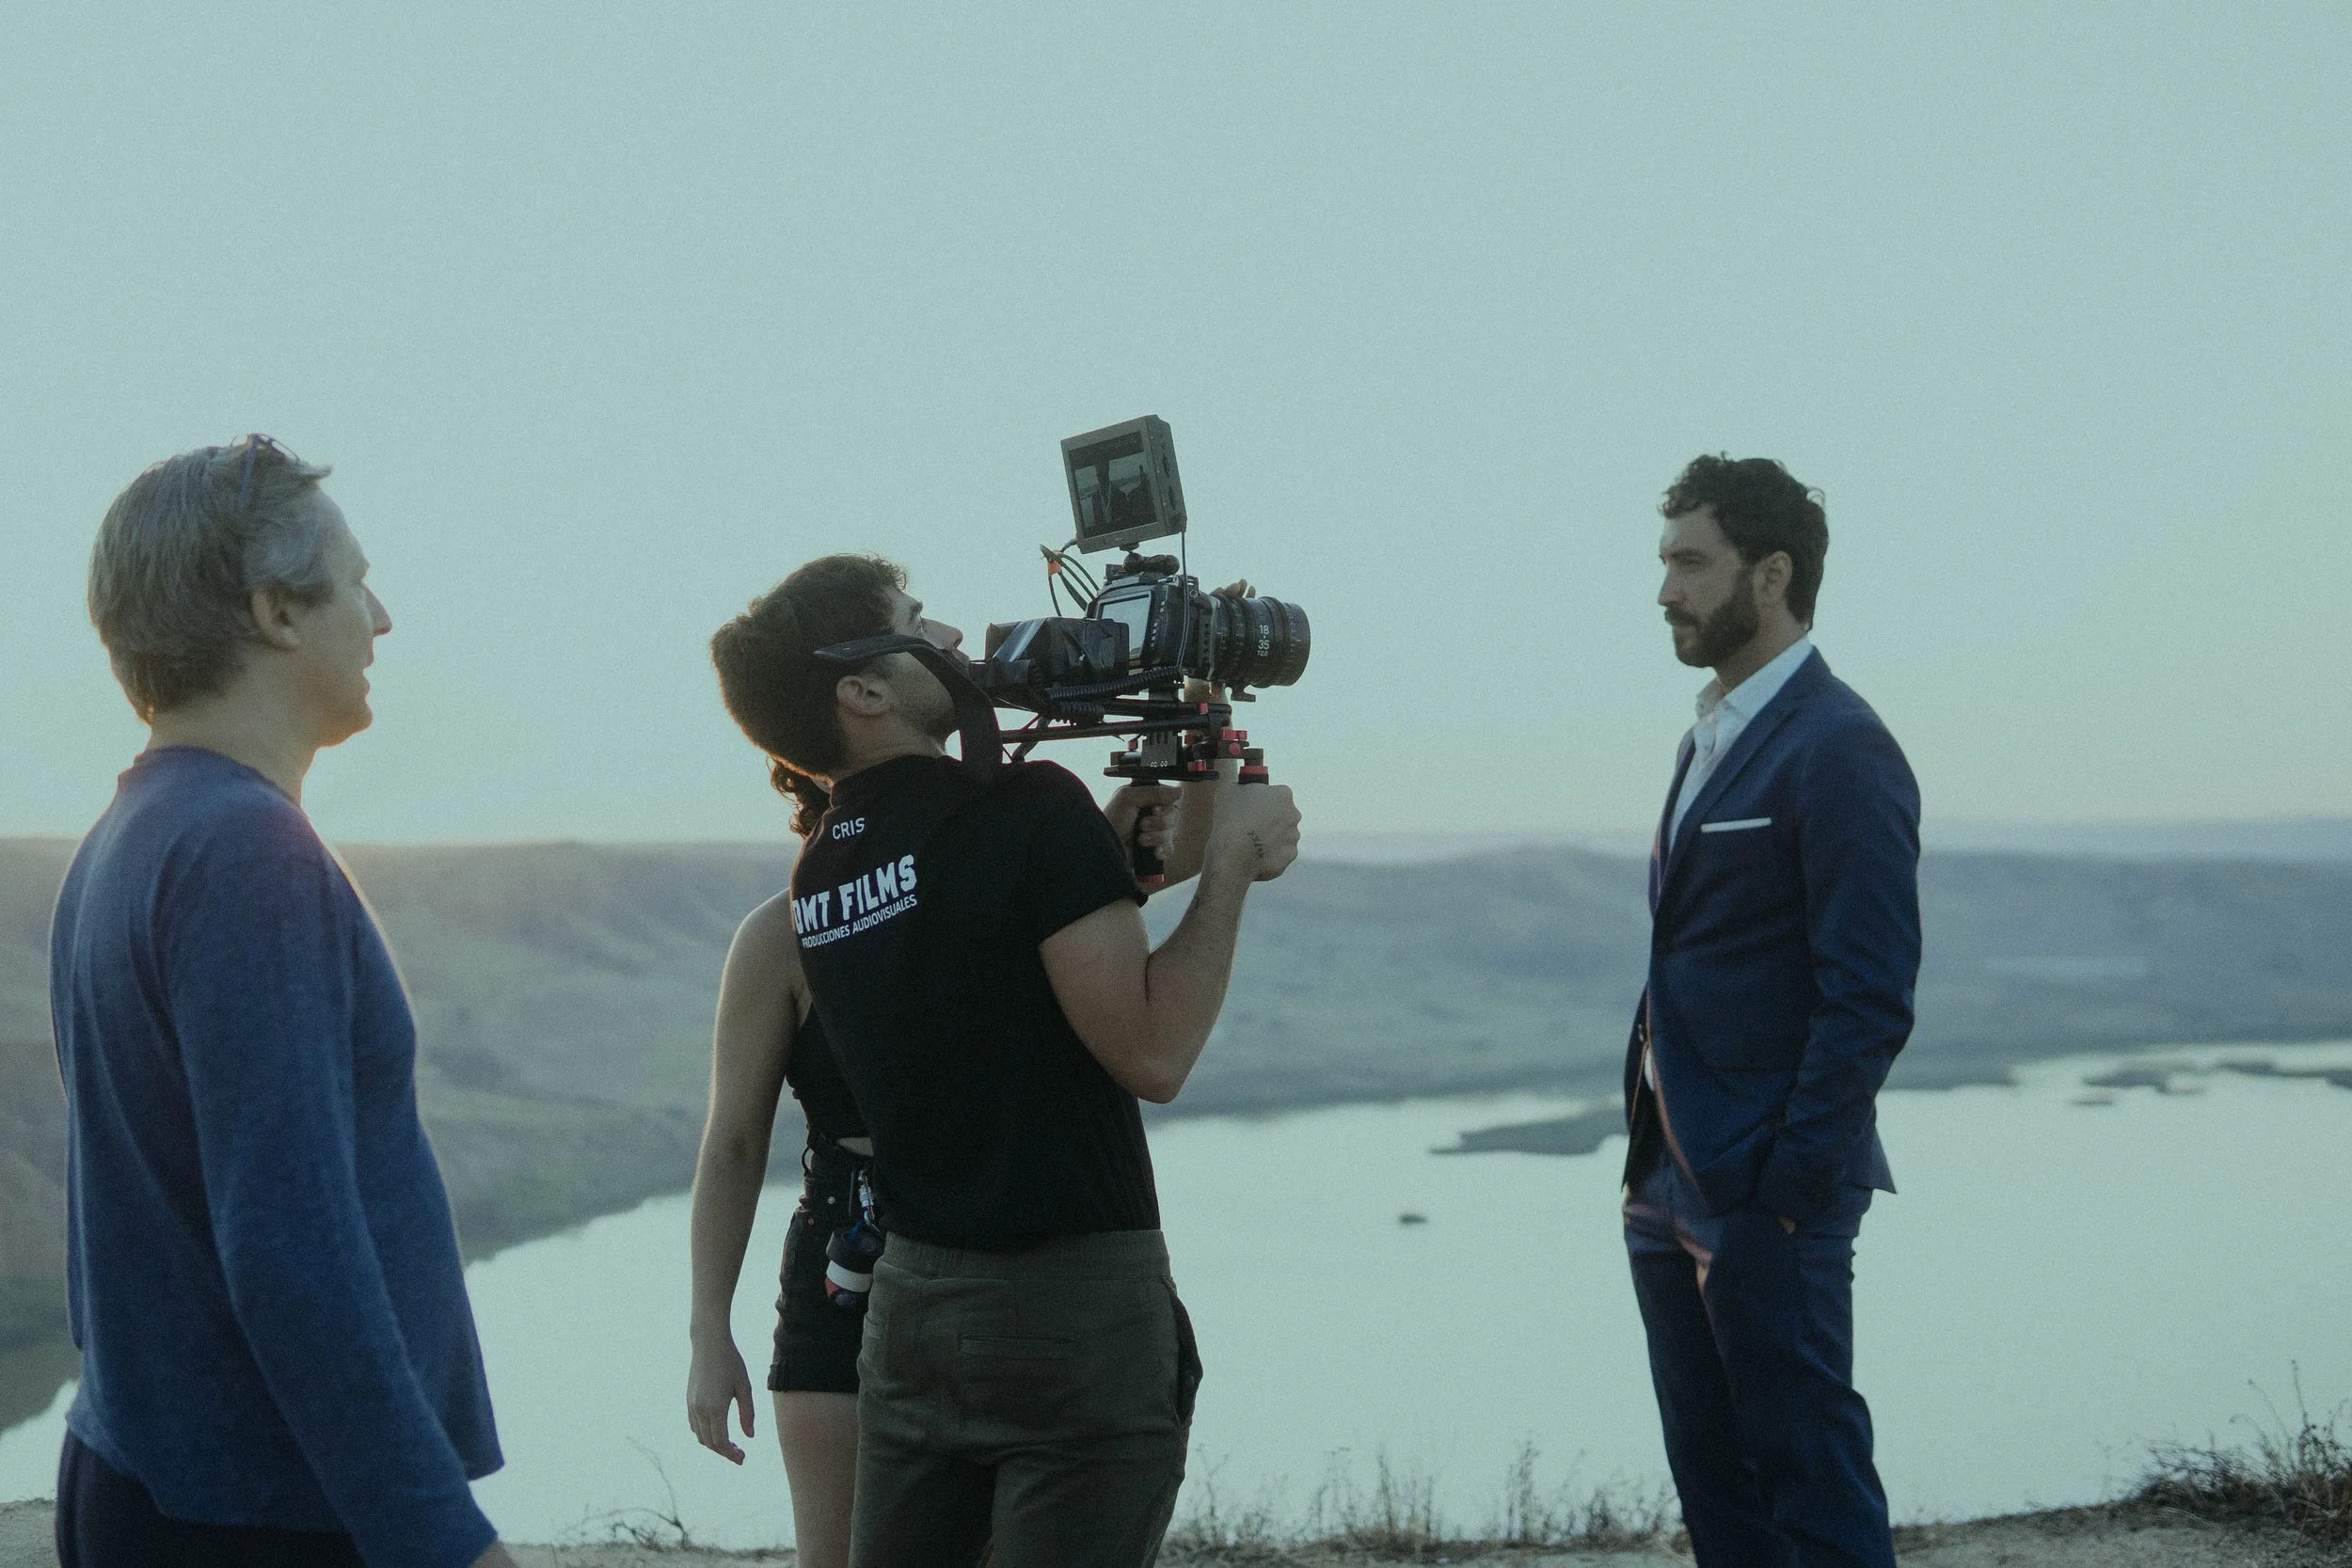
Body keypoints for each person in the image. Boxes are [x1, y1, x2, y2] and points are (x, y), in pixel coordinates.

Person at [708, 554, 1298, 1568]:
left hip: (912, 1313)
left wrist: (1191, 742)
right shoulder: (1027, 810)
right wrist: (1237, 864)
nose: (951, 638)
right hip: (1069, 1309)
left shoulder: (824, 872)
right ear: (864, 689)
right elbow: (1153, 1051)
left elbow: (1038, 926)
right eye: (916, 622)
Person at [50, 436, 514, 1568]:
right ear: (276, 612)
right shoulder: (245, 850)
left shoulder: (126, 836)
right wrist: (442, 1537)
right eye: (355, 580)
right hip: (262, 1514)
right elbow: (292, 1250)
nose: (384, 616)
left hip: (155, 1474)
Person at [683, 704, 1185, 1568]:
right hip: (851, 1264)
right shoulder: (779, 934)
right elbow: (732, 1143)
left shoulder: (970, 878)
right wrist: (708, 1333)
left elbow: (1067, 939)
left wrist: (1179, 789)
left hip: (981, 1253)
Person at [1619, 454, 1920, 1568]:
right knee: (1717, 1486)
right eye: (1664, 564)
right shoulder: (1708, 733)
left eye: (1690, 563)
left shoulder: (1839, 745)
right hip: (1666, 1176)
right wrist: (1655, 1163)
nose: (1665, 591)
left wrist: (1781, 1190)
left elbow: (1871, 992)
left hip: (1762, 1192)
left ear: (1772, 572)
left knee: (1810, 1479)